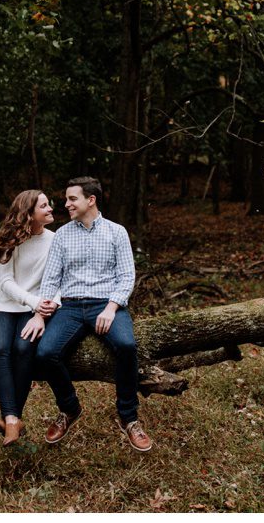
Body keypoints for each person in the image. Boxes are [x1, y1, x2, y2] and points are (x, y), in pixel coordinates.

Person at [35, 176, 153, 451]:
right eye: (66, 199)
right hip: (71, 307)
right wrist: (41, 312)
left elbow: (127, 276)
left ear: (91, 200)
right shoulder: (62, 234)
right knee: (45, 353)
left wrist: (111, 308)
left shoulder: (116, 232)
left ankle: (128, 417)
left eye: (72, 199)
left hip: (106, 304)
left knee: (126, 345)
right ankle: (69, 408)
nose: (66, 204)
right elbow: (51, 279)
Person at [0, 189, 57, 446]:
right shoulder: (10, 240)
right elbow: (4, 281)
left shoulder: (56, 240)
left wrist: (41, 309)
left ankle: (11, 420)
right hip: (5, 306)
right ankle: (13, 420)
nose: (50, 209)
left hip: (36, 311)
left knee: (23, 349)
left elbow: (61, 280)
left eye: (49, 204)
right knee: (1, 348)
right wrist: (32, 300)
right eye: (44, 206)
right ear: (29, 213)